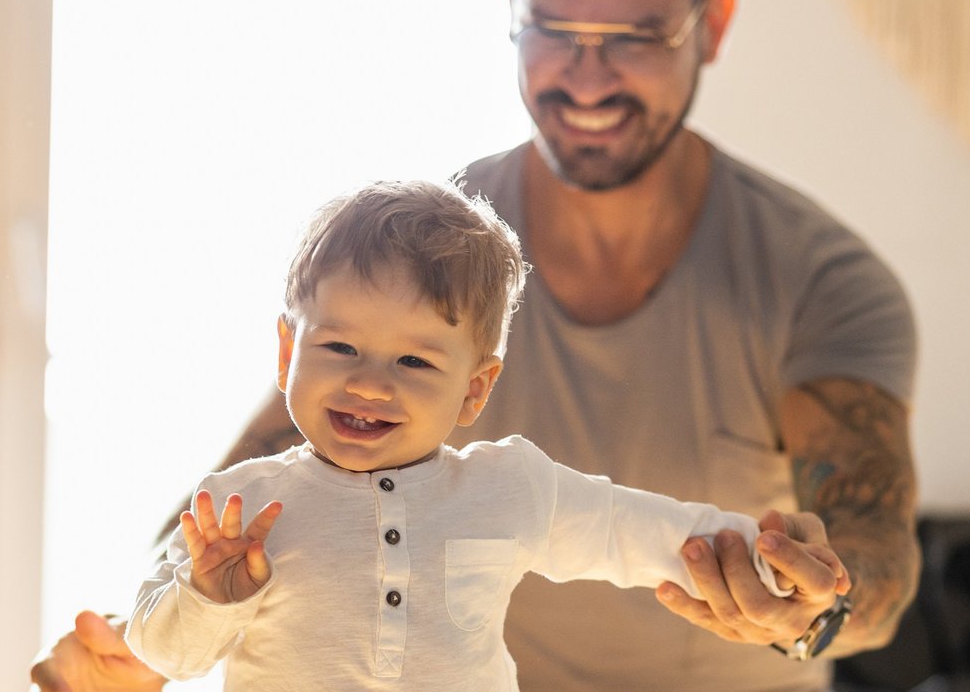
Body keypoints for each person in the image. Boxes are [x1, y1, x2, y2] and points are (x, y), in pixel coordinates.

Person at [35, 0, 921, 689]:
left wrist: (814, 604)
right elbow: (248, 494)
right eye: (553, 26)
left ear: (713, 25)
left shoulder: (820, 281)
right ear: (510, 0)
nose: (584, 74)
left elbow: (873, 554)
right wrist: (134, 634)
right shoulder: (424, 250)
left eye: (635, 37)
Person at [124, 180, 842, 690]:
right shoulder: (237, 509)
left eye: (413, 360)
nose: (370, 383)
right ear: (287, 355)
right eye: (339, 348)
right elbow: (163, 654)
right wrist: (209, 593)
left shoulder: (506, 487)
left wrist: (761, 556)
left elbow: (631, 529)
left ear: (475, 388)